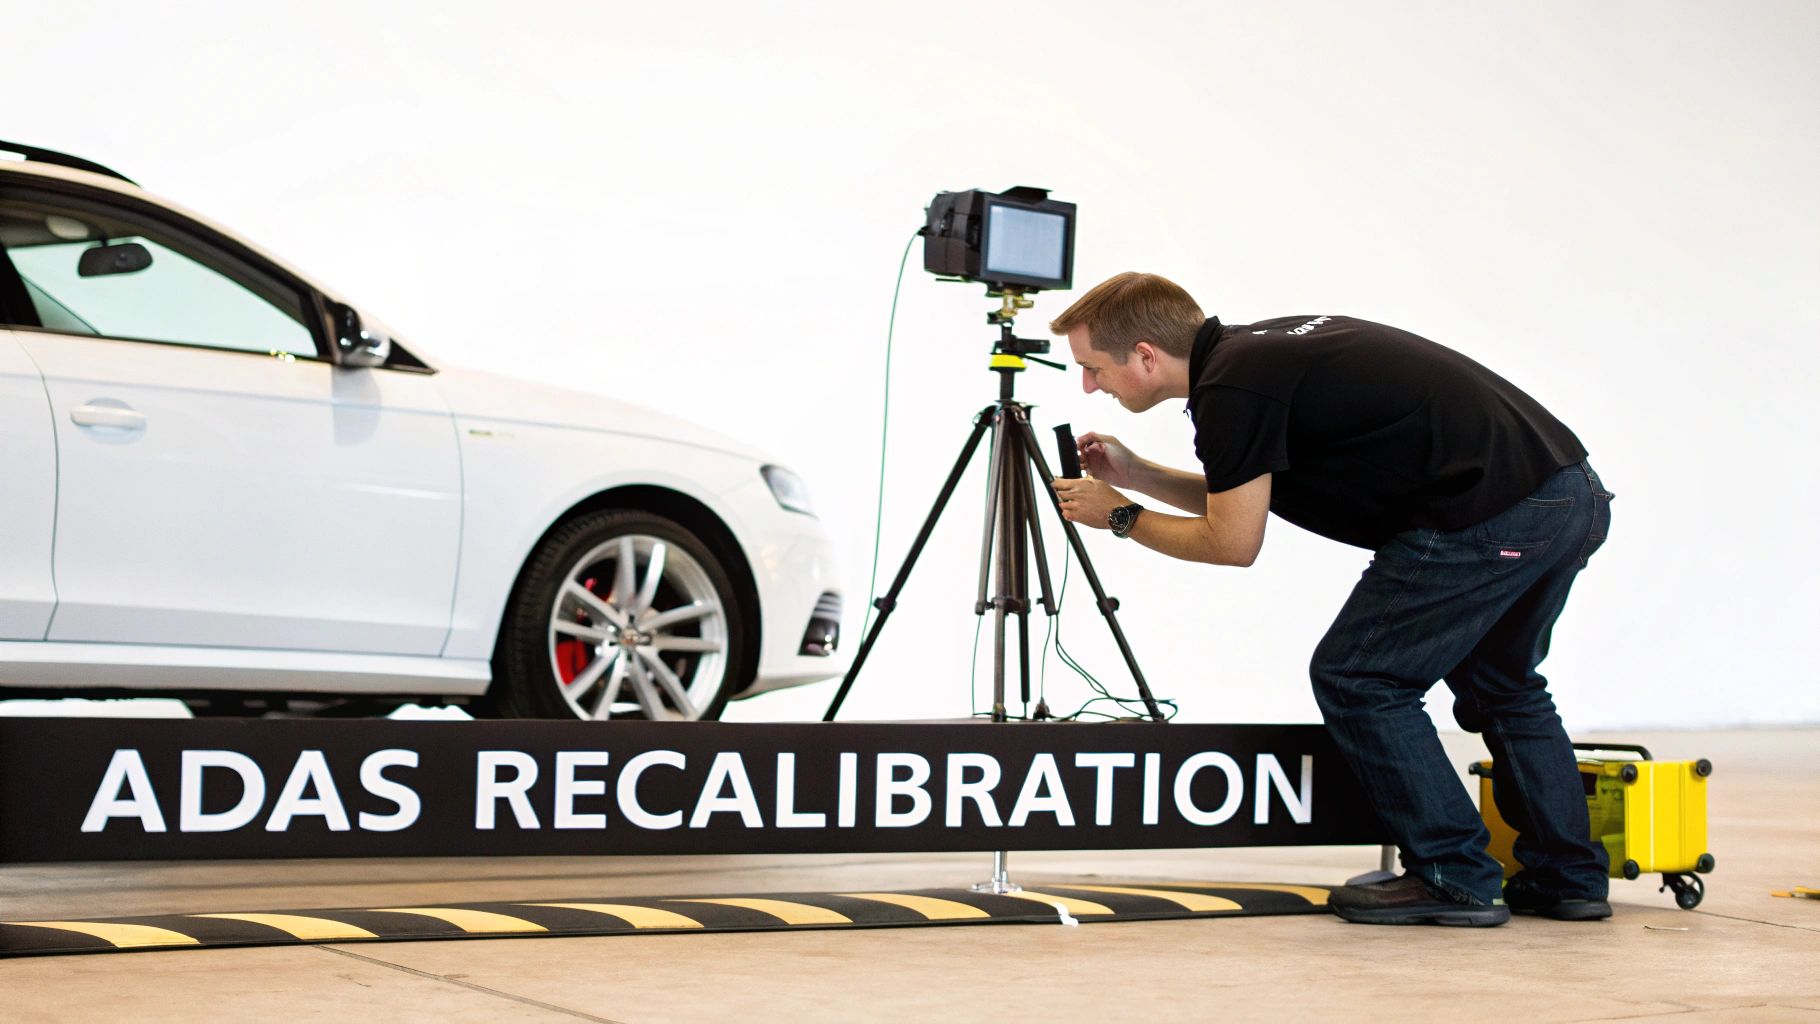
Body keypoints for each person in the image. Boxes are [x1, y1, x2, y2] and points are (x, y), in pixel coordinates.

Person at [1048, 271, 1614, 927]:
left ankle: (1453, 875)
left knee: (1361, 675)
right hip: (1567, 493)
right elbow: (1241, 498)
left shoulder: (1232, 389)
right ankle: (1566, 879)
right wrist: (1137, 476)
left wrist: (1120, 517)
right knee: (1502, 682)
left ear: (1145, 355)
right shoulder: (1256, 356)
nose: (1090, 386)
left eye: (1093, 368)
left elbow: (1231, 540)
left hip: (1489, 513)